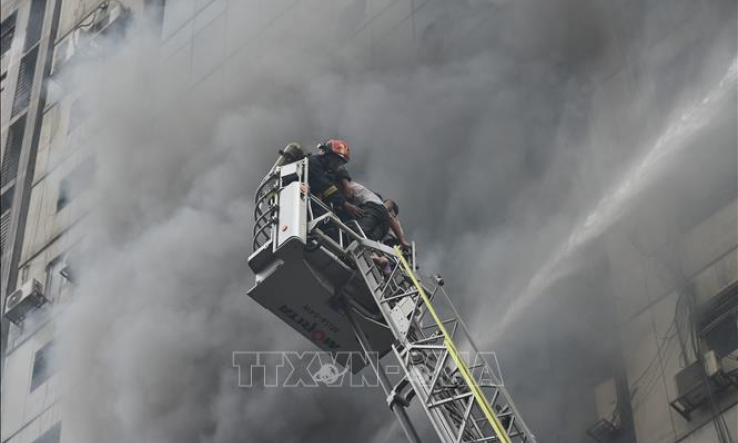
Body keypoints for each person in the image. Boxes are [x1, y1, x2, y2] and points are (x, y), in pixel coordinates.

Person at [307, 139, 362, 220]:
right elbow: (325, 186)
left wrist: (346, 184)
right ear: (328, 155)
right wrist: (345, 204)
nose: (338, 164)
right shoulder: (313, 162)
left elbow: (339, 172)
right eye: (337, 160)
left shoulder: (328, 171)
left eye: (341, 162)